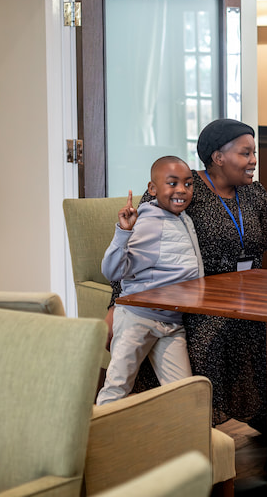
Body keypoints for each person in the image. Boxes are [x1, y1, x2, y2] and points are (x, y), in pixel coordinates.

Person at [113, 119, 267, 430]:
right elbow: (137, 247)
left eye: (253, 153)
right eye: (246, 154)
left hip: (248, 294)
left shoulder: (256, 193)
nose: (254, 161)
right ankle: (197, 432)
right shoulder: (185, 189)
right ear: (219, 157)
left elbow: (260, 249)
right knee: (220, 336)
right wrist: (117, 302)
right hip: (195, 299)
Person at [97, 156, 202, 406]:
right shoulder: (149, 223)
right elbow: (112, 271)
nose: (182, 190)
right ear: (152, 189)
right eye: (172, 183)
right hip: (138, 318)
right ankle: (97, 441)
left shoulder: (184, 219)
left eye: (188, 184)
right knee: (117, 386)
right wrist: (123, 232)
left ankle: (186, 443)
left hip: (172, 322)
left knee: (183, 394)